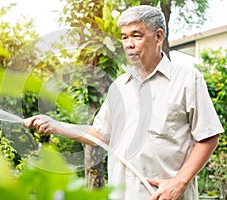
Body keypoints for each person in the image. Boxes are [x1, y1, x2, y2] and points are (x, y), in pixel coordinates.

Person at [22, 5, 224, 200]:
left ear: (158, 36)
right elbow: (101, 134)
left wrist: (180, 182)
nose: (128, 44)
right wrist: (56, 125)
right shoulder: (120, 86)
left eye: (136, 35)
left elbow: (208, 136)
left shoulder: (187, 79)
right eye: (124, 37)